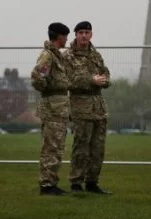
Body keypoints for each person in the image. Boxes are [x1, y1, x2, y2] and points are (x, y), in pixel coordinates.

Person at [64, 21, 112, 195]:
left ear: (91, 35)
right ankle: (76, 182)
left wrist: (105, 80)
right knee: (81, 146)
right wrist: (91, 80)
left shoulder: (96, 55)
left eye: (87, 32)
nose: (84, 35)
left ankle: (92, 182)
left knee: (98, 148)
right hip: (80, 107)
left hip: (98, 108)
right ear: (76, 35)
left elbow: (106, 73)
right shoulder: (68, 57)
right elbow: (68, 80)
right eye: (81, 32)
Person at [31, 22, 71, 196]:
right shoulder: (48, 56)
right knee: (51, 147)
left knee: (57, 147)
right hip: (53, 107)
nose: (67, 40)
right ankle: (47, 185)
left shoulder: (56, 56)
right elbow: (37, 76)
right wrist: (48, 88)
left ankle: (51, 183)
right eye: (65, 36)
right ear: (59, 37)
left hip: (59, 107)